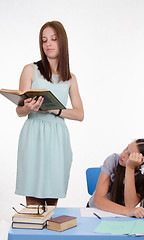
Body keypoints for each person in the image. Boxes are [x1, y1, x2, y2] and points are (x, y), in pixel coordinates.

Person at [15, 21, 84, 206]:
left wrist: (56, 109)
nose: (48, 44)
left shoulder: (70, 78)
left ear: (62, 42)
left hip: (57, 137)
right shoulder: (30, 69)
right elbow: (19, 110)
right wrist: (27, 107)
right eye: (44, 40)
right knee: (32, 194)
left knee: (52, 197)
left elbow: (79, 114)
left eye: (53, 39)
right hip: (33, 134)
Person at [87, 139, 144, 218]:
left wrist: (130, 167)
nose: (122, 154)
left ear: (141, 162)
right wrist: (129, 211)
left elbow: (130, 205)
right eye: (126, 148)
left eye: (129, 154)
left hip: (122, 215)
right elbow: (98, 201)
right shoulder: (113, 160)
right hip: (96, 212)